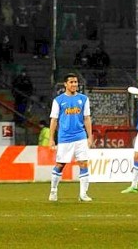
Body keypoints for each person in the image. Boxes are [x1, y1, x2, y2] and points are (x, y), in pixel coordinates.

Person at [48, 73, 93, 203]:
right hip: (65, 138)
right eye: (71, 82)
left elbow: (87, 118)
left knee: (83, 163)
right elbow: (54, 120)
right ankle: (53, 190)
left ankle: (83, 194)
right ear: (65, 84)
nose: (74, 84)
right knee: (60, 165)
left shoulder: (84, 99)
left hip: (80, 136)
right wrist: (51, 138)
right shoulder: (58, 100)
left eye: (76, 82)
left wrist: (90, 136)